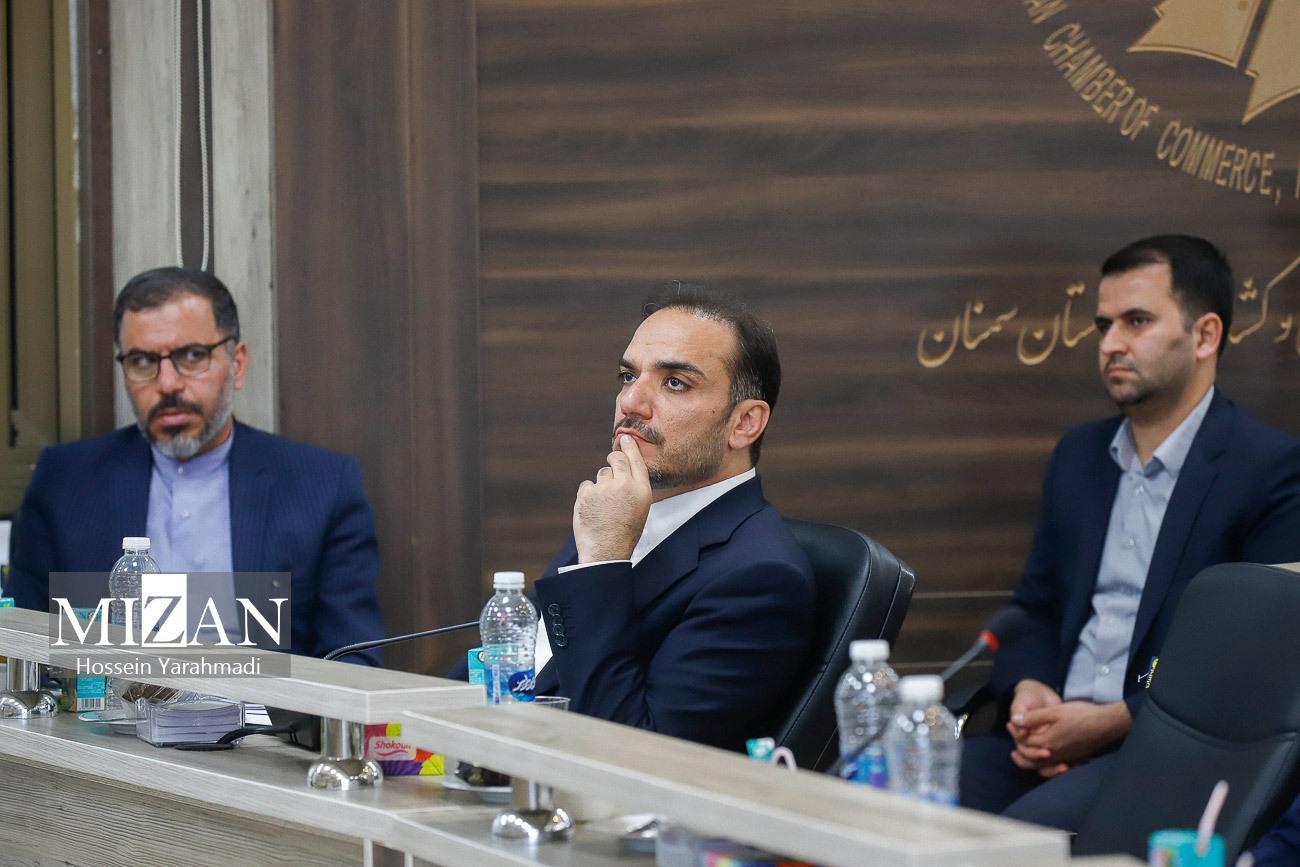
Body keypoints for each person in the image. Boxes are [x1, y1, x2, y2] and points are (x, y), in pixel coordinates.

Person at [960, 235, 1300, 829]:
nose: (1110, 344)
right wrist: (1030, 691)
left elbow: (1250, 663)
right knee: (890, 798)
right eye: (1104, 325)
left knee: (1024, 837)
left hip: (1165, 753)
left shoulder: (1269, 470)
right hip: (1049, 735)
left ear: (1205, 336)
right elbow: (1036, 608)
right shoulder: (1079, 456)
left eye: (1136, 321)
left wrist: (1107, 722)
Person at [477, 284, 815, 751]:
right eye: (628, 376)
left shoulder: (761, 579)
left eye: (675, 382)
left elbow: (630, 753)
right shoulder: (626, 510)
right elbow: (512, 668)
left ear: (744, 423)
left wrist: (601, 560)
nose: (631, 402)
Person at [2, 267, 385, 663]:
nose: (167, 383)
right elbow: (20, 647)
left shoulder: (322, 487)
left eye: (191, 356)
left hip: (261, 704)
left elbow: (354, 661)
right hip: (108, 702)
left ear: (236, 364)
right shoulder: (63, 483)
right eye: (142, 361)